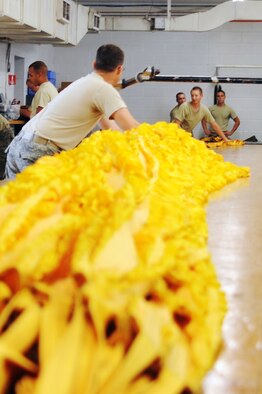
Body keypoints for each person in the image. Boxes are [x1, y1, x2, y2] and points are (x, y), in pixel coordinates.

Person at [5, 44, 140, 179]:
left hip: (20, 144)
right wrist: (156, 145)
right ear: (119, 69)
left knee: (17, 198)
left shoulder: (83, 82)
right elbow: (131, 126)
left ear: (94, 64)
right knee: (49, 198)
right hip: (37, 151)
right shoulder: (103, 89)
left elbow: (111, 130)